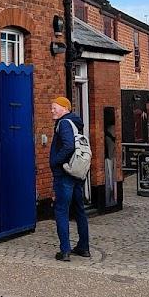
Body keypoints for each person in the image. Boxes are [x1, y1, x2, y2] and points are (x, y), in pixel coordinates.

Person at [49, 96, 90, 262]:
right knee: (79, 210)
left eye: (55, 107)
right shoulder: (76, 122)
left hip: (65, 174)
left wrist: (55, 161)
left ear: (65, 108)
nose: (52, 110)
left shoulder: (64, 123)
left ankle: (65, 250)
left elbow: (68, 146)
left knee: (61, 211)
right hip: (77, 173)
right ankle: (84, 247)